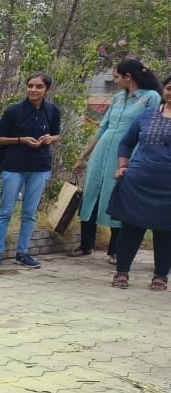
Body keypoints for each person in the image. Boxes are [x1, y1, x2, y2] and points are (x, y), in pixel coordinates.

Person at [72, 58, 162, 262]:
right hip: (102, 152)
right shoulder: (117, 98)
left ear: (128, 76)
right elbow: (102, 128)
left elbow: (150, 130)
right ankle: (85, 244)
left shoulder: (151, 98)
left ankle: (115, 250)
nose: (116, 81)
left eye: (117, 77)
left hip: (127, 154)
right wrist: (83, 156)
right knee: (91, 195)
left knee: (119, 197)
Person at [0, 73, 62, 269]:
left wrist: (50, 139)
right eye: (30, 86)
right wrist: (21, 140)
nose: (33, 90)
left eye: (38, 86)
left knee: (29, 213)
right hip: (14, 166)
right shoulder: (14, 111)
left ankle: (23, 253)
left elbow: (57, 134)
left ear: (46, 89)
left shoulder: (52, 110)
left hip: (39, 167)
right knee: (6, 211)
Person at [106, 75, 171, 291]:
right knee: (131, 228)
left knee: (165, 231)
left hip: (168, 188)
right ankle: (121, 272)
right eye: (169, 88)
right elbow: (126, 143)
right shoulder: (146, 115)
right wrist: (122, 166)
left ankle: (160, 276)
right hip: (138, 182)